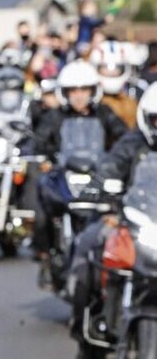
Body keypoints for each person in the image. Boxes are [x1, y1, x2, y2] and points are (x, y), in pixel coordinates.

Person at [69, 85, 157, 359]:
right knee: (88, 248)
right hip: (132, 222)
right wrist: (98, 192)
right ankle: (87, 335)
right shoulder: (133, 143)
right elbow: (109, 166)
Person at [33, 60, 126, 288]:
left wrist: (119, 160)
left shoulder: (104, 113)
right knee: (41, 206)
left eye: (84, 89)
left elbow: (124, 138)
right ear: (64, 92)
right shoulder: (55, 116)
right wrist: (43, 158)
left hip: (97, 176)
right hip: (64, 174)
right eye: (73, 90)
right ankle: (46, 256)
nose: (79, 96)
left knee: (119, 211)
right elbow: (38, 140)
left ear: (94, 90)